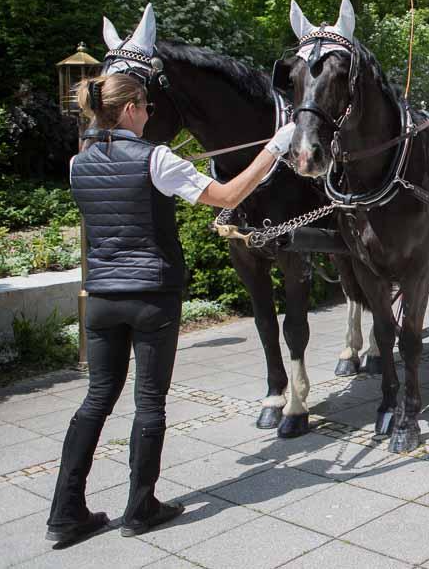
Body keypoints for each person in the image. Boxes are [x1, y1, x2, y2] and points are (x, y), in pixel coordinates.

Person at [47, 73, 297, 546]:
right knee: (149, 402)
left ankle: (65, 511)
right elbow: (228, 196)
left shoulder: (79, 163)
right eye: (145, 107)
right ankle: (140, 507)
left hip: (101, 297)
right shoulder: (155, 159)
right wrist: (275, 148)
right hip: (151, 295)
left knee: (96, 399)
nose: (149, 115)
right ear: (129, 109)